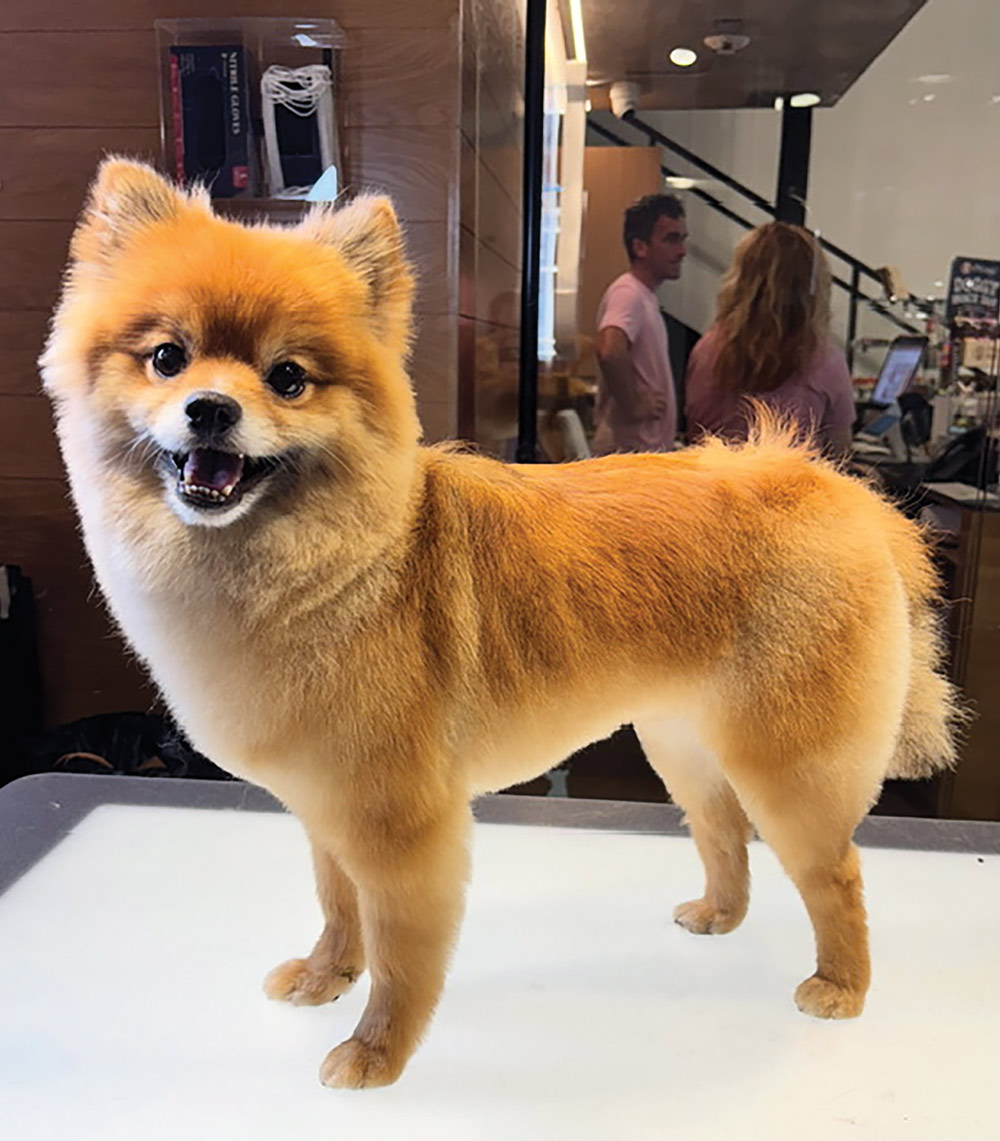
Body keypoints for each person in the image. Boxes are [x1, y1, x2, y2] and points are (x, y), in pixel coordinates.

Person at [684, 221, 855, 456]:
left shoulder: (707, 350)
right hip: (790, 490)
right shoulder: (825, 361)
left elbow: (696, 436)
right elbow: (839, 455)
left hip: (716, 488)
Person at [592, 193, 688, 455]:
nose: (682, 251)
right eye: (671, 239)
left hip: (641, 455)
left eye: (682, 239)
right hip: (631, 456)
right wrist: (634, 404)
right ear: (640, 247)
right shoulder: (629, 293)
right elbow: (609, 350)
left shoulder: (643, 296)